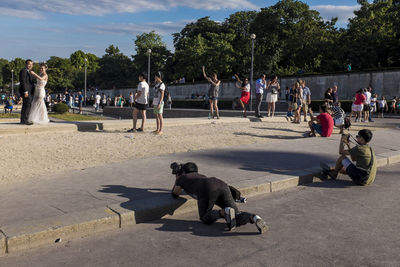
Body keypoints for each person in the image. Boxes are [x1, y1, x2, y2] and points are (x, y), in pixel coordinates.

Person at [171, 162, 268, 233]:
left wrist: (177, 178)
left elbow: (175, 193)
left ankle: (223, 212)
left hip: (206, 189)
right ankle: (254, 217)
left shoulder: (182, 178)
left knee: (205, 217)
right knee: (236, 216)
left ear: (183, 171)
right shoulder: (201, 175)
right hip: (222, 185)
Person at [19, 59, 35, 125]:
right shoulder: (24, 71)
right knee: (27, 105)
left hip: (29, 91)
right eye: (29, 64)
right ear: (26, 64)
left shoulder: (29, 71)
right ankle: (25, 120)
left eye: (31, 64)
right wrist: (25, 91)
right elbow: (23, 81)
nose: (30, 65)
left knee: (25, 105)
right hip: (26, 91)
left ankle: (23, 119)